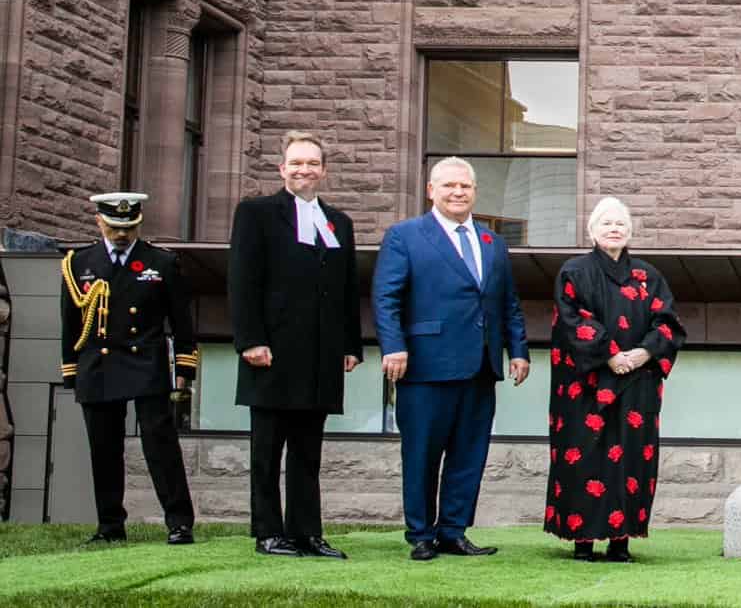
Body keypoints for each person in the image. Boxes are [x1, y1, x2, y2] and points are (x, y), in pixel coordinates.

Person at [374, 156, 530, 562]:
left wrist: (518, 351)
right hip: (425, 365)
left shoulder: (492, 241)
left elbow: (507, 303)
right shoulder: (404, 236)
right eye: (449, 186)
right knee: (422, 454)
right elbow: (386, 298)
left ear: (474, 192)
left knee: (469, 454)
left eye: (465, 186)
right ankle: (421, 534)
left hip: (481, 367)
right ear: (431, 190)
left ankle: (453, 531)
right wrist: (393, 345)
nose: (458, 192)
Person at [229, 130, 363, 559]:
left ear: (323, 170)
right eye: (296, 162)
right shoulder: (256, 213)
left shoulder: (338, 222)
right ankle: (268, 532)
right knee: (267, 450)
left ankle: (306, 531)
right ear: (281, 168)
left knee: (308, 452)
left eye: (312, 163)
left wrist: (351, 344)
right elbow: (242, 281)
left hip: (320, 358)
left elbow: (345, 290)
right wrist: (250, 339)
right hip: (271, 352)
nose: (304, 169)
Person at [543, 198, 686, 562]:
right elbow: (570, 320)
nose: (613, 229)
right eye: (606, 223)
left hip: (636, 383)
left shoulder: (648, 276)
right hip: (585, 385)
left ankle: (620, 541)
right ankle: (583, 542)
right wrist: (609, 354)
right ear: (592, 230)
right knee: (585, 454)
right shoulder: (573, 272)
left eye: (620, 223)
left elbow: (667, 323)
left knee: (630, 461)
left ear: (630, 231)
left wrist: (641, 354)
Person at [58, 192, 197, 545]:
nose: (122, 234)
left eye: (129, 227)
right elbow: (70, 323)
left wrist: (185, 365)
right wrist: (71, 371)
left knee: (161, 445)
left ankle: (179, 522)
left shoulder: (161, 262)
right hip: (98, 363)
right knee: (103, 448)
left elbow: (182, 320)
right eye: (114, 226)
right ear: (98, 222)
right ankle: (110, 525)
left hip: (145, 361)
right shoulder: (78, 263)